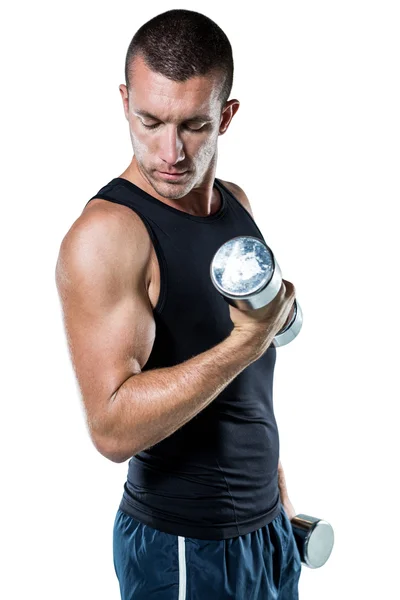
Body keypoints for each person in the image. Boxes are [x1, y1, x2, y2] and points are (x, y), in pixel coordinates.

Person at [55, 8, 302, 600]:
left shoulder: (236, 206)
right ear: (124, 102)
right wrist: (247, 341)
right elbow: (111, 430)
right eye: (149, 120)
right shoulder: (108, 236)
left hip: (265, 533)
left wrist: (281, 502)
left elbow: (248, 391)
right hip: (184, 547)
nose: (170, 151)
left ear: (227, 115)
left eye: (193, 125)